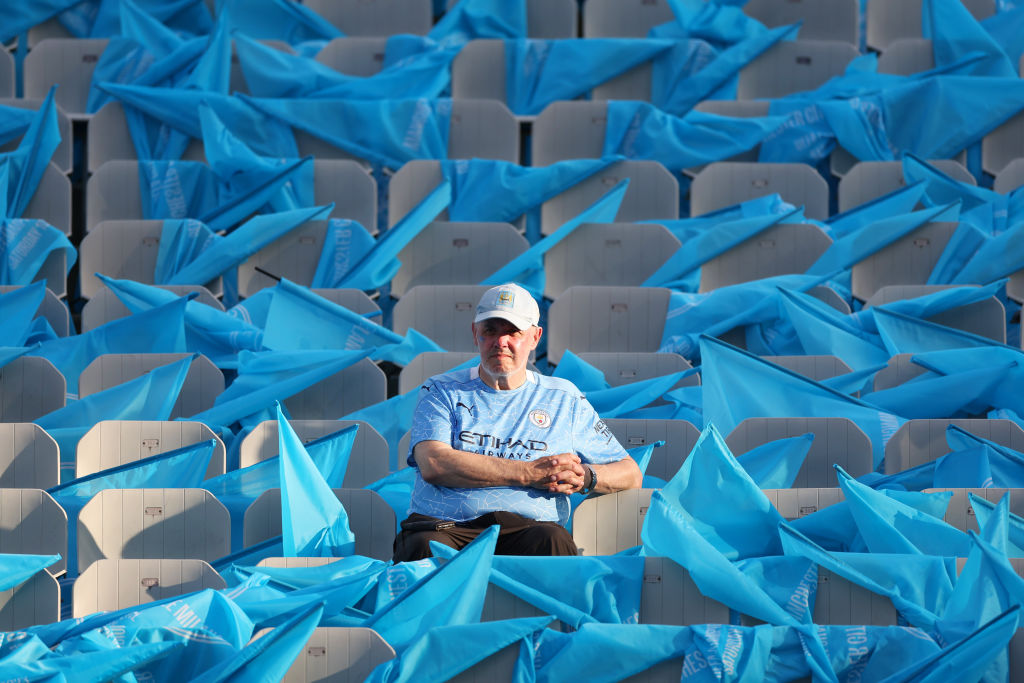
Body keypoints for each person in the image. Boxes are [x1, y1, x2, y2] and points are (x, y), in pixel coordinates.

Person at [392, 283, 643, 562]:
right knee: (425, 547)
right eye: (490, 331)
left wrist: (585, 476)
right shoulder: (440, 389)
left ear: (535, 337)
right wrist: (529, 473)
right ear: (475, 334)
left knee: (553, 541)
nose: (501, 342)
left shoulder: (564, 397)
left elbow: (631, 473)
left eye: (513, 331)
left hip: (530, 529)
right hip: (446, 527)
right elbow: (434, 464)